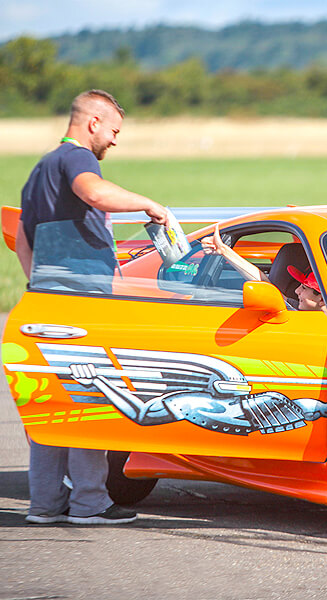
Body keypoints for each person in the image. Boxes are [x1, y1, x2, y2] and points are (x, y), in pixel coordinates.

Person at [15, 89, 169, 525]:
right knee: (89, 397)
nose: (115, 141)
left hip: (48, 298)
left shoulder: (39, 169)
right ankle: (89, 503)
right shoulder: (76, 159)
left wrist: (40, 285)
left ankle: (45, 505)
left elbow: (24, 240)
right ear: (93, 123)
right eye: (114, 131)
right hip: (82, 303)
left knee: (52, 404)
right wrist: (148, 204)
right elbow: (95, 194)